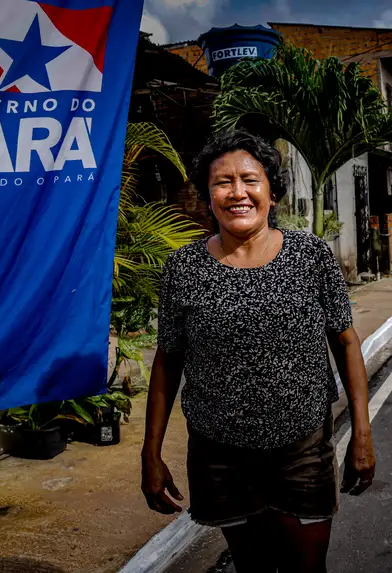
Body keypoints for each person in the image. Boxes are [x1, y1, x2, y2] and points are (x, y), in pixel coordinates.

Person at [141, 130, 376, 573]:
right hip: (220, 453)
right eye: (222, 182)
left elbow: (346, 342)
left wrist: (361, 432)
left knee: (307, 568)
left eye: (250, 179)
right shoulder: (183, 268)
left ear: (271, 190)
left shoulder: (311, 257)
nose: (237, 193)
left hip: (302, 446)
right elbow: (168, 361)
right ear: (208, 196)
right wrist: (149, 454)